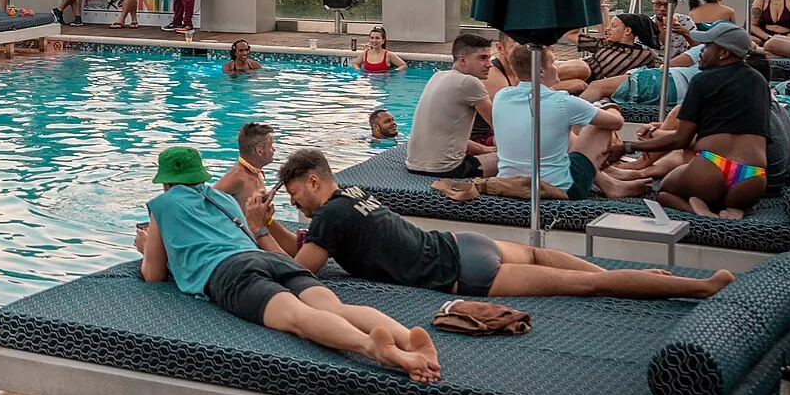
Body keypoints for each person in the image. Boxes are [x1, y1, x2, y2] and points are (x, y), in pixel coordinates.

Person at [138, 145, 440, 382]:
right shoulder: (225, 200)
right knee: (336, 307)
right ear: (200, 176)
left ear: (166, 182)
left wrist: (145, 246)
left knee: (297, 317)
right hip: (269, 260)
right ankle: (408, 340)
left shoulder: (163, 204)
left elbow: (153, 275)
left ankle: (370, 346)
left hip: (231, 271)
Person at [279, 148, 733, 300]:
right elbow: (311, 247)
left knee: (595, 288)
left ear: (313, 181)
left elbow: (301, 269)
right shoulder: (352, 197)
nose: (296, 204)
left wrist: (259, 227)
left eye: (296, 194)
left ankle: (700, 288)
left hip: (464, 273)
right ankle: (644, 277)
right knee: (569, 267)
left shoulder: (331, 217)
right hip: (465, 243)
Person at [627, 22, 773, 217]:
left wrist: (629, 147)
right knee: (725, 194)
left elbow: (681, 139)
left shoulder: (702, 80)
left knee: (665, 192)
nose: (700, 52)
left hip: (711, 169)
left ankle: (699, 211)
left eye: (706, 47)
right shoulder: (759, 81)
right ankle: (734, 207)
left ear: (723, 54)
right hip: (752, 179)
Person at [490, 43, 649, 199]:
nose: (557, 67)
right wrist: (609, 106)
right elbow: (617, 123)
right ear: (541, 71)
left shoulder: (501, 96)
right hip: (561, 188)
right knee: (602, 121)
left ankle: (609, 184)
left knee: (558, 132)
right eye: (553, 63)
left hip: (508, 181)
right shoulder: (562, 102)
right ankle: (610, 184)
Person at [405, 34, 498, 179]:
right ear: (463, 60)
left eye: (489, 58)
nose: (489, 64)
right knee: (516, 160)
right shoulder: (469, 82)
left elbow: (445, 133)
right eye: (482, 58)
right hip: (447, 170)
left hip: (413, 165)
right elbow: (498, 125)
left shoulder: (437, 77)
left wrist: (483, 149)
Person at [555, 12, 659, 100]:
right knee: (582, 69)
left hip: (590, 85)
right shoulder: (604, 43)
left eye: (613, 26)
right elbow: (570, 35)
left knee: (579, 86)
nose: (607, 29)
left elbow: (649, 79)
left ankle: (539, 89)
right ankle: (540, 76)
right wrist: (582, 10)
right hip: (578, 68)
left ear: (627, 30)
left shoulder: (644, 56)